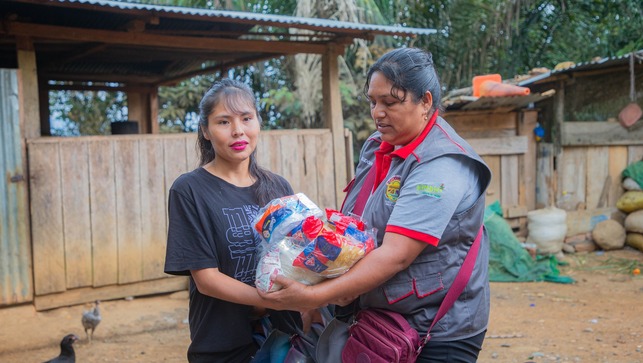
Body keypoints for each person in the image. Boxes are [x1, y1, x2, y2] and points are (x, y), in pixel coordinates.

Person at [258, 47, 492, 362]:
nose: (377, 112)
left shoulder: (442, 164)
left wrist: (313, 295)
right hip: (380, 319)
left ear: (425, 101)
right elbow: (355, 233)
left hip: (434, 329)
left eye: (390, 102)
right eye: (373, 101)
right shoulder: (378, 147)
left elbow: (396, 255)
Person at [164, 79, 300, 363]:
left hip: (284, 339)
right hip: (222, 345)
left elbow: (297, 259)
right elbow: (207, 280)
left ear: (258, 123)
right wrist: (276, 300)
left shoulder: (278, 187)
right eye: (224, 122)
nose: (238, 130)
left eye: (246, 119)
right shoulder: (190, 190)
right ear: (205, 130)